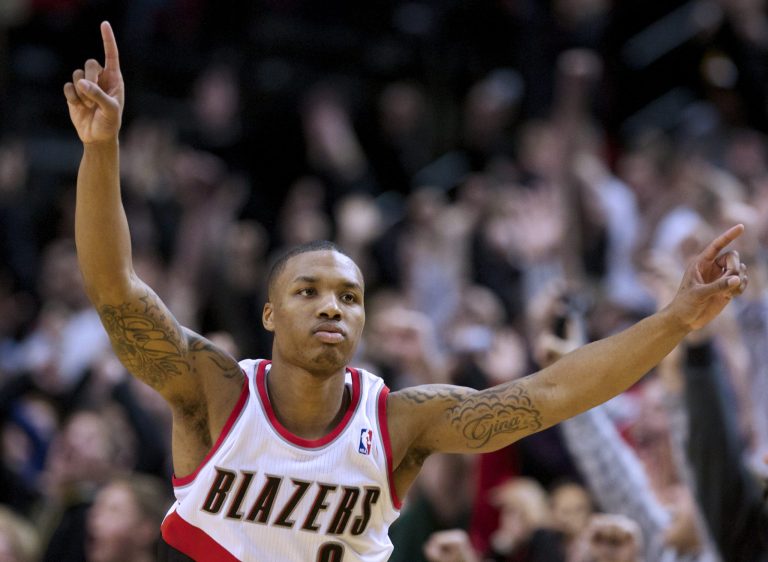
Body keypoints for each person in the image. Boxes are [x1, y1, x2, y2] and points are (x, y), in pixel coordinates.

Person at [63, 22, 750, 561]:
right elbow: (117, 293)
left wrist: (677, 317)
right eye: (309, 291)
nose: (333, 305)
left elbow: (551, 395)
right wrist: (101, 152)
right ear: (269, 312)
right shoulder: (214, 390)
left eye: (350, 296)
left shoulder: (397, 424)